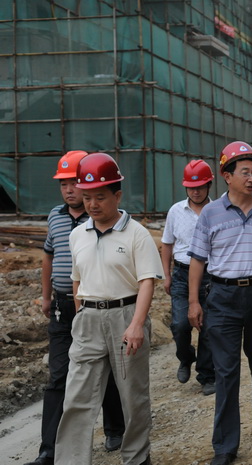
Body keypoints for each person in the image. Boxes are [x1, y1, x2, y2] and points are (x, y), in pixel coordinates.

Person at [55, 152, 163, 465]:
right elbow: (77, 280)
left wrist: (137, 325)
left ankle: (136, 457)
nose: (92, 204)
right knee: (77, 397)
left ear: (117, 195)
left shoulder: (136, 233)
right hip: (88, 319)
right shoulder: (78, 235)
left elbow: (147, 281)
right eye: (87, 197)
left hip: (125, 316)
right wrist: (80, 315)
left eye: (100, 197)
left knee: (132, 396)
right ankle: (71, 460)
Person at [188, 141, 252, 465]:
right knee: (226, 371)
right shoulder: (211, 214)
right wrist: (193, 301)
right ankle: (225, 445)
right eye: (245, 172)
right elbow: (197, 260)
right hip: (223, 297)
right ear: (227, 176)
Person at [25, 151, 125, 465]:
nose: (69, 190)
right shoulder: (55, 217)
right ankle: (49, 450)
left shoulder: (102, 218)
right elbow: (48, 256)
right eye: (63, 184)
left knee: (106, 370)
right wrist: (46, 296)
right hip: (62, 306)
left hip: (95, 307)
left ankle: (115, 428)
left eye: (74, 183)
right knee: (59, 376)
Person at [161, 160, 216, 395]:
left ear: (209, 185)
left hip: (211, 276)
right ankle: (185, 358)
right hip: (182, 274)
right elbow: (167, 244)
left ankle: (207, 375)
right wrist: (166, 275)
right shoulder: (175, 211)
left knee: (209, 327)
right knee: (180, 324)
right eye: (191, 187)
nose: (195, 191)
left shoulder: (218, 211)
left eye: (200, 186)